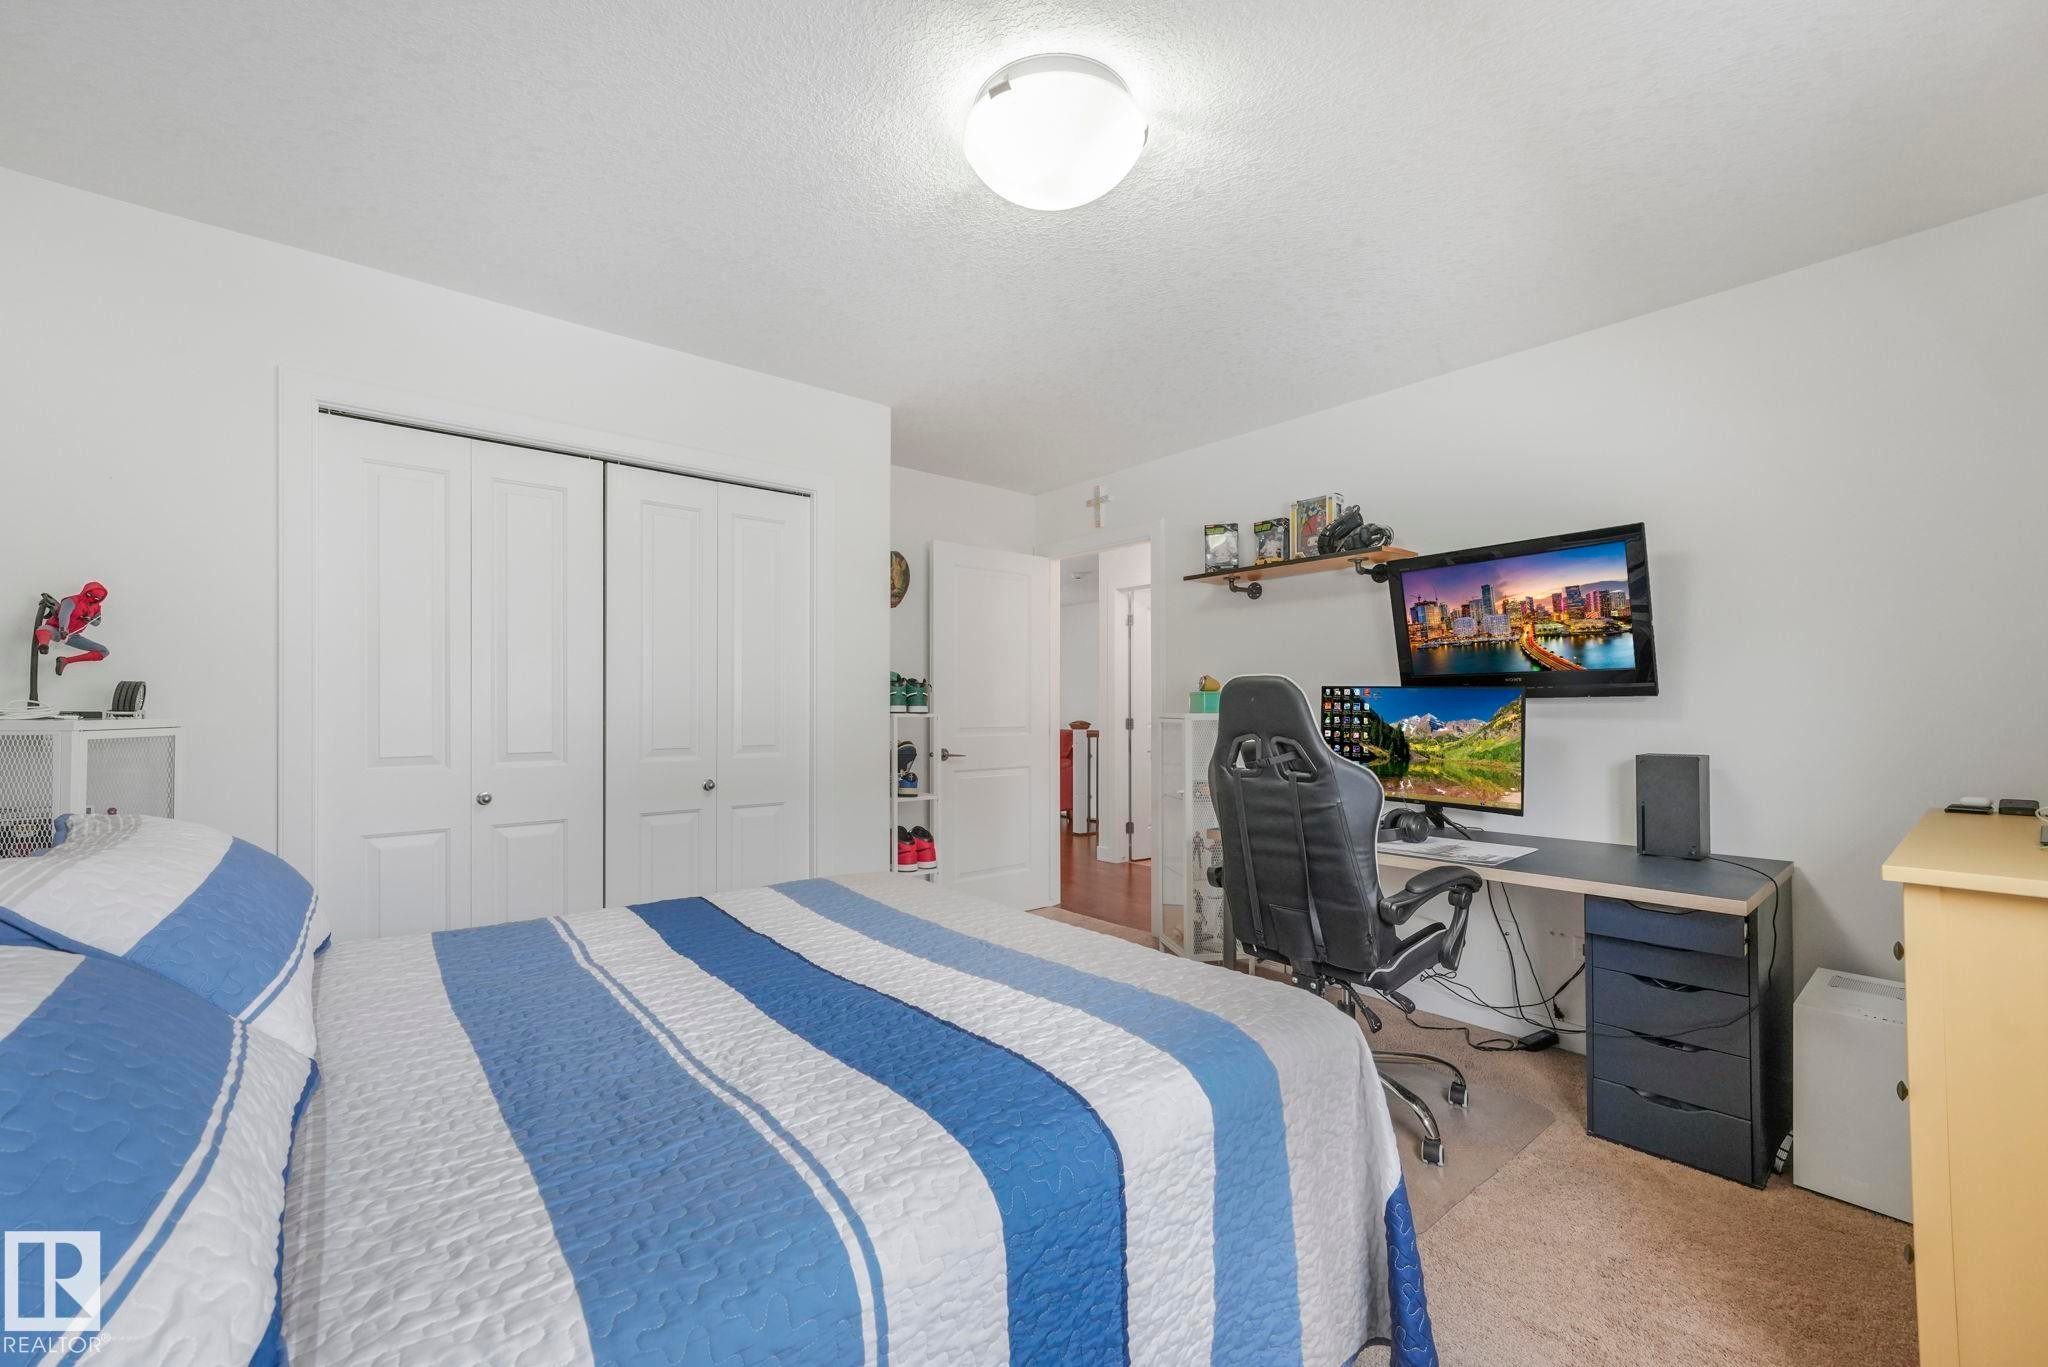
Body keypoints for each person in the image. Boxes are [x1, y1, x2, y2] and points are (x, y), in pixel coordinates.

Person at [35, 581, 110, 675]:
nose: (91, 599)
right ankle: (44, 645)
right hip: (57, 629)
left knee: (104, 651)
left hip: (72, 636)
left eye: (95, 598)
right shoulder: (72, 600)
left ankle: (65, 661)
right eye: (89, 595)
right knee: (43, 629)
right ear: (85, 591)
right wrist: (63, 629)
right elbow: (64, 614)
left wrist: (90, 619)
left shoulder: (97, 608)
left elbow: (97, 623)